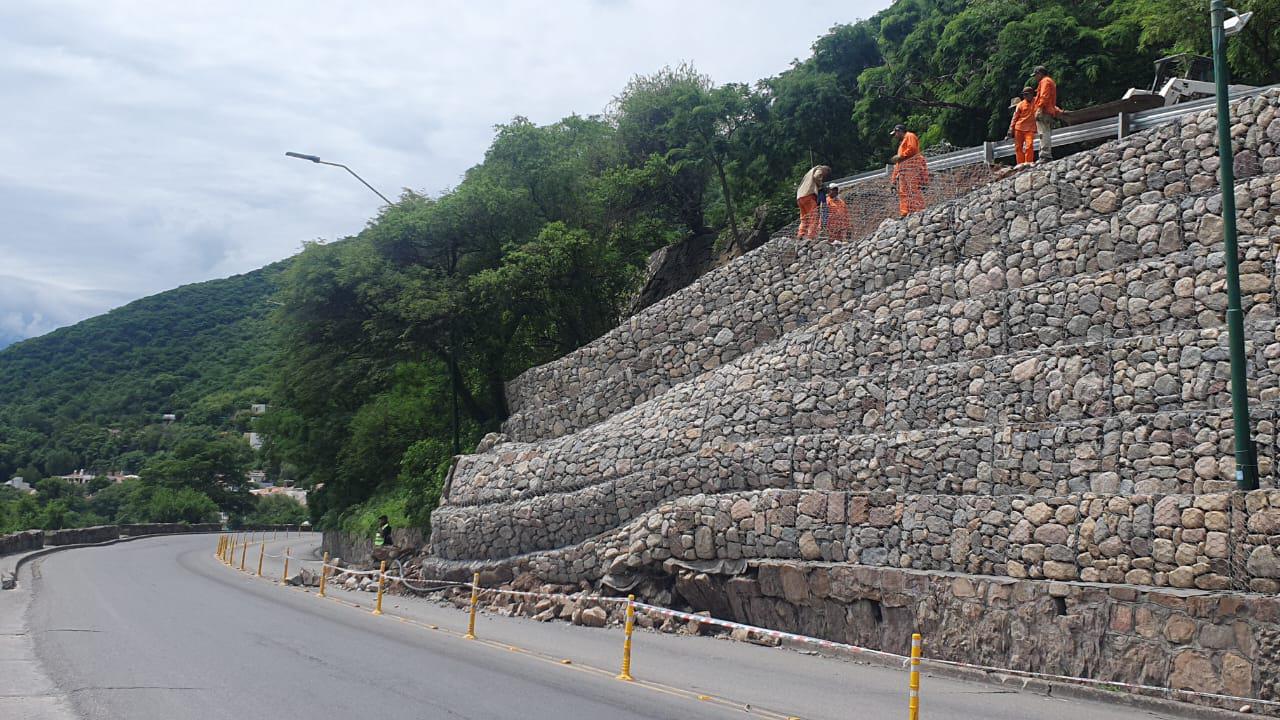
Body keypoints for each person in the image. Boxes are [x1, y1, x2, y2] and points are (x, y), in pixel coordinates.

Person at [889, 124, 928, 217]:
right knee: (903, 193)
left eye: (895, 133)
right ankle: (905, 213)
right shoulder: (902, 144)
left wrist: (900, 156)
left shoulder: (910, 136)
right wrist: (893, 180)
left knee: (913, 190)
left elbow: (912, 149)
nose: (895, 136)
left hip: (911, 169)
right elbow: (898, 164)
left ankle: (919, 211)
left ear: (899, 131)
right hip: (903, 172)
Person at [1032, 66, 1063, 161]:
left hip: (1044, 111)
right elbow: (1051, 101)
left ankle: (1045, 155)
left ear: (1040, 73)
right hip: (1048, 111)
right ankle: (1045, 154)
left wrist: (1039, 109)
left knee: (1043, 133)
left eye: (1035, 75)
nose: (1035, 77)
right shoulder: (1050, 81)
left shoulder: (1045, 82)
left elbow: (1044, 97)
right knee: (1045, 132)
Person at [795, 165, 831, 239]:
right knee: (814, 216)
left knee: (804, 218)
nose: (824, 177)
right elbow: (817, 176)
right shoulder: (819, 169)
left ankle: (801, 234)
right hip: (808, 195)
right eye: (825, 175)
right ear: (825, 171)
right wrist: (820, 185)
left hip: (800, 197)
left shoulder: (810, 172)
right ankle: (811, 236)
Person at [1008, 87, 1038, 165]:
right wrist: (1011, 129)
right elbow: (1015, 117)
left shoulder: (1037, 101)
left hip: (1030, 129)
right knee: (1018, 148)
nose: (1025, 96)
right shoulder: (1020, 105)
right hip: (1019, 128)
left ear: (1031, 94)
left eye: (1026, 94)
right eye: (1024, 95)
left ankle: (1028, 162)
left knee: (1029, 145)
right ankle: (1020, 164)